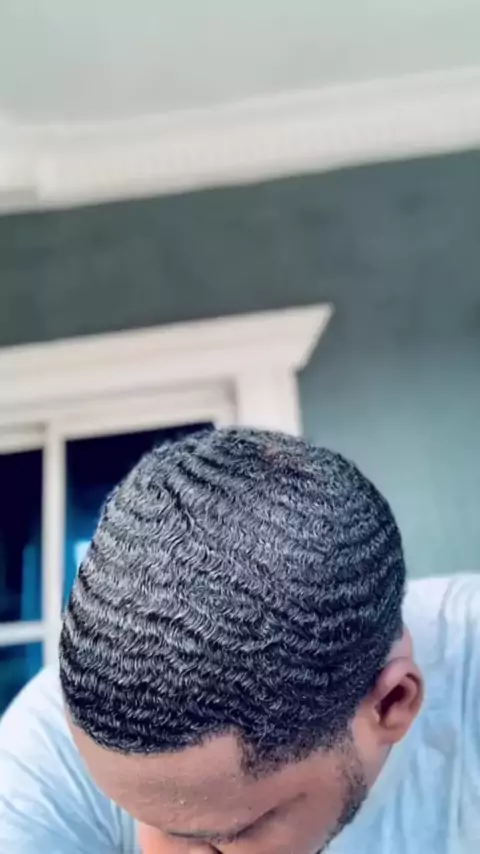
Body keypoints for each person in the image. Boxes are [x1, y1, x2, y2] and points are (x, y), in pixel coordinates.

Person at [0, 428, 479, 854]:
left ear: (392, 703)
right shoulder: (42, 748)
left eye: (225, 835)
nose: (151, 850)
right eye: (131, 810)